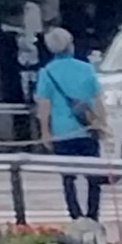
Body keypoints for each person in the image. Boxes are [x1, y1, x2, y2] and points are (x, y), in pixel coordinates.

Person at [34, 25, 104, 226]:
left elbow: (44, 105)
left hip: (61, 131)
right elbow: (97, 100)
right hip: (87, 129)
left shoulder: (46, 73)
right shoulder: (86, 68)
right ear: (70, 45)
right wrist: (102, 123)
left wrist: (45, 131)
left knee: (68, 177)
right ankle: (92, 215)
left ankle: (75, 216)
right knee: (93, 175)